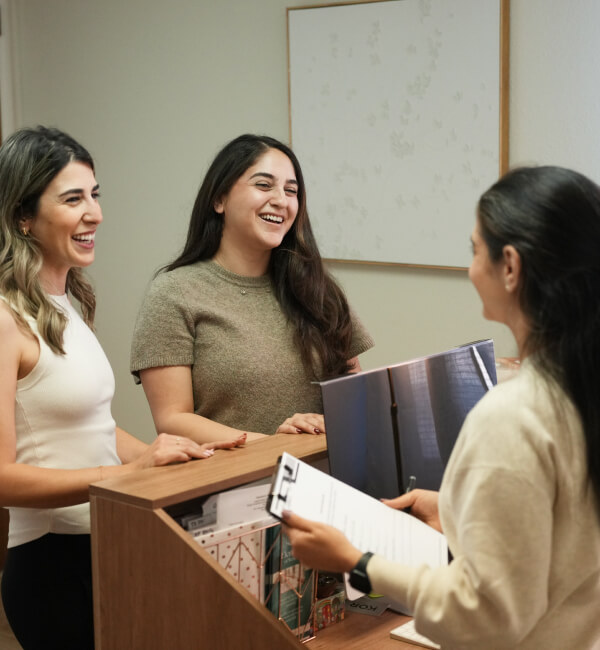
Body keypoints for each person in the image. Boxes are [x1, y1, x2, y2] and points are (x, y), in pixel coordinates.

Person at [283, 166, 600, 649]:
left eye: (475, 250)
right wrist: (454, 513)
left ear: (510, 266)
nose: (472, 268)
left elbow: (485, 616)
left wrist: (357, 562)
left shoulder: (512, 417)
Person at [0, 126, 245, 650]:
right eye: (73, 199)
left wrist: (185, 453)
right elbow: (2, 477)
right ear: (23, 217)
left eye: (95, 195)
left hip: (102, 544)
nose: (95, 213)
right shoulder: (4, 319)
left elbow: (93, 429)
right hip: (51, 566)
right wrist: (128, 473)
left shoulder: (68, 303)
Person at [130, 134, 373, 443]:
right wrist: (272, 446)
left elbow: (355, 392)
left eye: (291, 190)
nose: (281, 200)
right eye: (263, 185)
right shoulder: (173, 293)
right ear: (219, 199)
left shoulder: (318, 289)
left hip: (323, 476)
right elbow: (173, 419)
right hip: (229, 482)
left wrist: (326, 423)